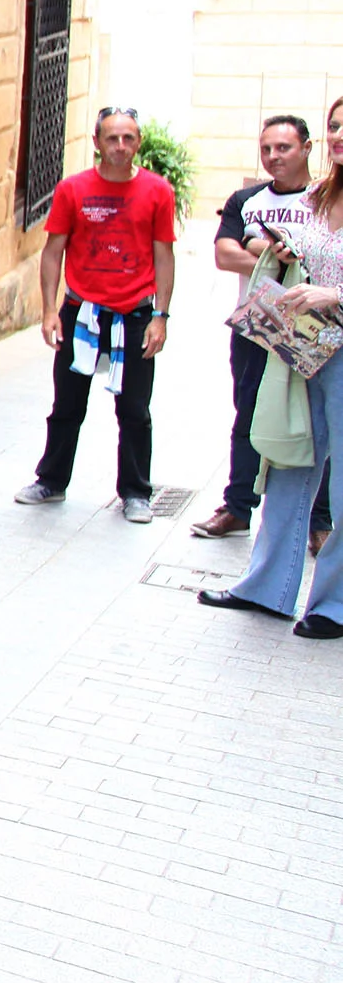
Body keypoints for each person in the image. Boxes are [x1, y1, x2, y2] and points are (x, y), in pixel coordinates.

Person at [197, 93, 343, 638]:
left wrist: (330, 292)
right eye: (334, 126)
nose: (337, 136)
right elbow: (298, 249)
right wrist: (277, 248)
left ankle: (332, 606)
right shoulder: (320, 196)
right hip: (308, 353)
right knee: (288, 464)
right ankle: (268, 589)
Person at [15, 108, 176, 521]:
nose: (120, 146)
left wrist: (161, 315)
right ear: (96, 142)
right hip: (82, 311)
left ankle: (136, 493)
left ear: (138, 142)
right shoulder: (73, 189)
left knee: (135, 409)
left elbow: (164, 255)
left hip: (135, 314)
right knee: (67, 403)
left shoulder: (158, 191)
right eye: (112, 138)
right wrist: (49, 310)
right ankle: (51, 482)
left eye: (128, 138)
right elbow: (53, 253)